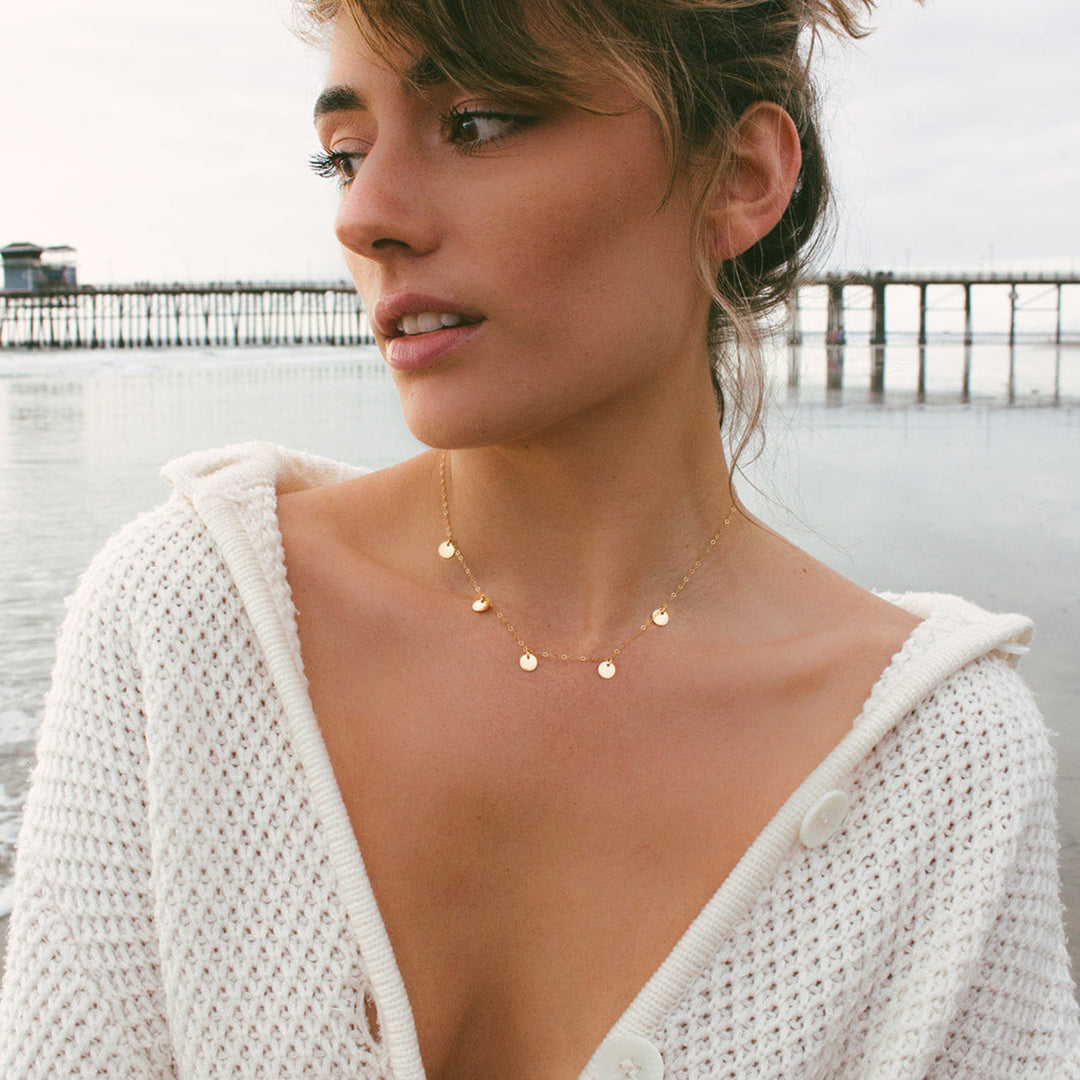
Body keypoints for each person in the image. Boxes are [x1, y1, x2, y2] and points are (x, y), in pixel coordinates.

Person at [2, 0, 1078, 1076]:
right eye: (344, 156)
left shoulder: (943, 771)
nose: (364, 216)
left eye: (475, 123)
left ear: (740, 175)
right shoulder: (192, 617)